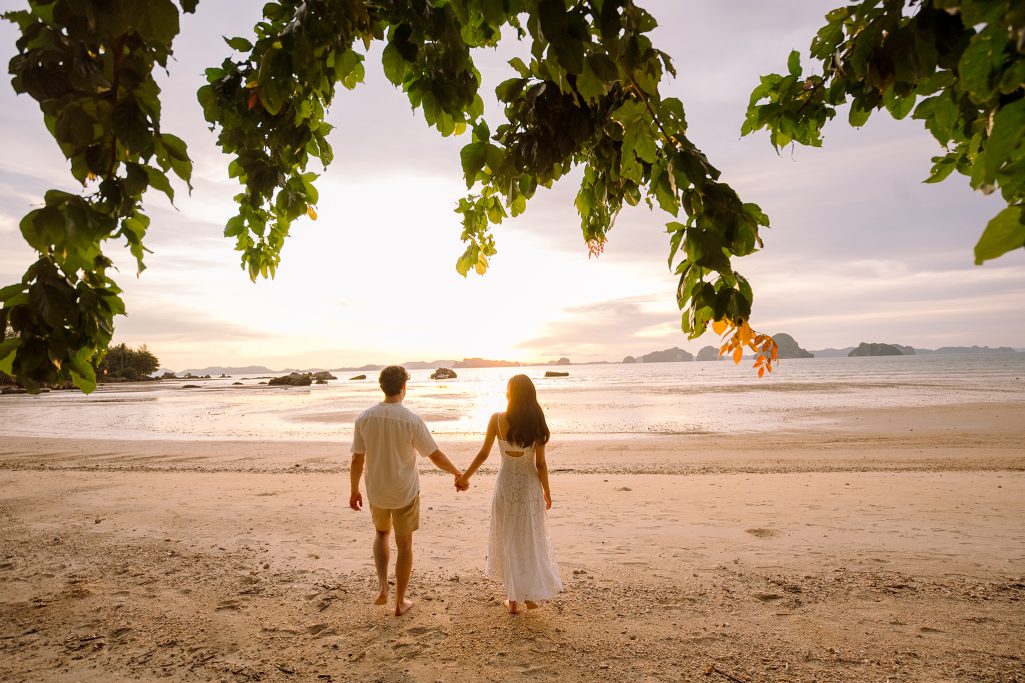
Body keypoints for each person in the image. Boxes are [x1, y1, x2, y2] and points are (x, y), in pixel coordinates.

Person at [349, 365, 466, 616]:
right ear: (404, 387)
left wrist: (354, 489)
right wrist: (458, 474)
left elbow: (357, 459)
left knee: (381, 533)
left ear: (382, 387)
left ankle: (383, 586)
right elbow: (435, 455)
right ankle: (399, 602)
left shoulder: (365, 417)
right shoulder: (411, 419)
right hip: (405, 491)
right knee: (404, 544)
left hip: (377, 490)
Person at [456, 374, 563, 614]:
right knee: (528, 536)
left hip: (505, 484)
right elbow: (541, 465)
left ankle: (514, 599)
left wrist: (464, 478)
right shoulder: (537, 421)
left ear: (509, 394)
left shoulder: (496, 419)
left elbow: (483, 454)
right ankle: (527, 593)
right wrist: (547, 490)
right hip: (528, 485)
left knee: (508, 536)